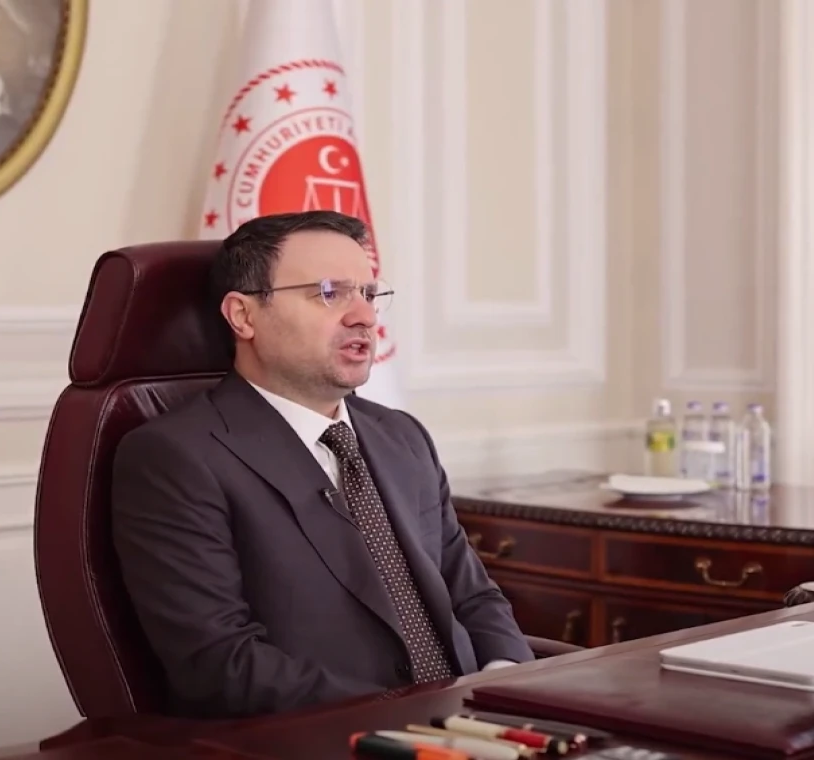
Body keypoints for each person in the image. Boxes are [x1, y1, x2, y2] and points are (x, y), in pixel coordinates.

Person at [110, 210, 533, 719]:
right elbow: (221, 664)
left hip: (481, 730)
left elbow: (474, 597)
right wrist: (412, 716)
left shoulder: (402, 437)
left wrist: (504, 687)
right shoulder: (176, 458)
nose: (364, 317)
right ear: (243, 316)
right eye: (330, 293)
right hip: (338, 736)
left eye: (369, 293)